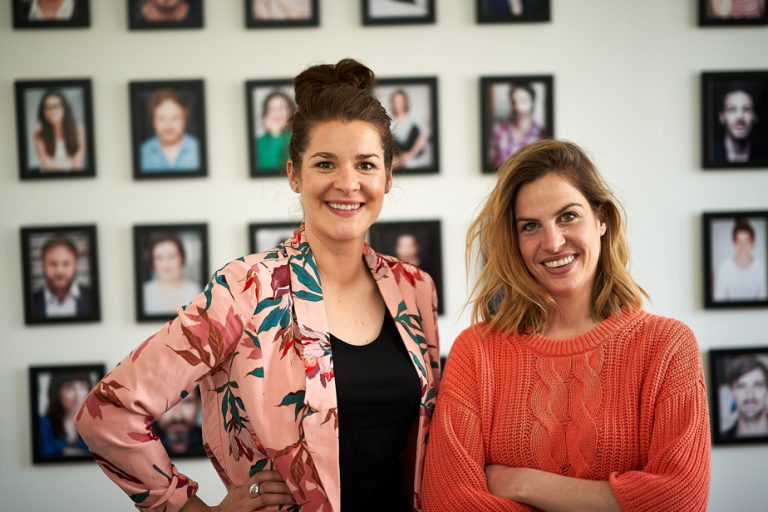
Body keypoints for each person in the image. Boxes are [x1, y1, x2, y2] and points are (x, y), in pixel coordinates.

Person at [76, 58, 440, 512]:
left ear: (388, 176)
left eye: (366, 165)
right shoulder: (246, 288)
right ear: (294, 175)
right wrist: (189, 509)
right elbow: (110, 412)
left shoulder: (414, 289)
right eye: (325, 163)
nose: (348, 183)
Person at [423, 139, 710, 511]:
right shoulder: (477, 352)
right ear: (515, 240)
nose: (553, 242)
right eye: (530, 226)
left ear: (602, 219)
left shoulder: (667, 346)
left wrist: (522, 483)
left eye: (568, 216)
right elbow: (448, 503)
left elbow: (679, 500)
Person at [31, 235, 94, 319]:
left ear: (76, 265)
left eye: (66, 264)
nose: (59, 271)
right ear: (43, 265)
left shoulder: (92, 298)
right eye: (53, 264)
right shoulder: (31, 302)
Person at [140, 88, 200, 172]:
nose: (168, 125)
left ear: (185, 119)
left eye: (175, 118)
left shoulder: (198, 149)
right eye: (162, 118)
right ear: (153, 120)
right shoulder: (142, 153)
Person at [487, 83, 545, 168]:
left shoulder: (542, 134)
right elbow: (492, 162)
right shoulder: (499, 130)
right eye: (514, 102)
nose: (518, 107)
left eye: (523, 101)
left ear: (532, 102)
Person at [142, 234, 202, 316]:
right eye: (159, 258)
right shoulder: (146, 292)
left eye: (171, 257)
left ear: (182, 258)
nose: (166, 264)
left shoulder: (197, 290)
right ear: (153, 262)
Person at [39, 371, 92, 458]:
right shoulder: (43, 424)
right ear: (57, 392)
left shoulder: (96, 424)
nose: (78, 395)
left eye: (83, 387)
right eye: (70, 387)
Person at [713, 217, 768, 302]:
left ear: (753, 243)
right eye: (739, 242)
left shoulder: (762, 267)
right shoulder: (723, 268)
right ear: (734, 243)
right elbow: (719, 299)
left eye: (746, 241)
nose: (743, 246)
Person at [33, 89, 85, 172]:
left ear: (64, 108)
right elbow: (47, 165)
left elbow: (77, 164)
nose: (52, 111)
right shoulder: (39, 133)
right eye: (47, 107)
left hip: (74, 178)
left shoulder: (79, 128)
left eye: (56, 106)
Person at [713, 83, 766, 164]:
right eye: (732, 109)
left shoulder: (764, 155)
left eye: (746, 109)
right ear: (722, 117)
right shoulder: (713, 154)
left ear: (755, 116)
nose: (740, 117)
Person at [721, 356, 768, 439]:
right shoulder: (724, 437)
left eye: (758, 385)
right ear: (732, 391)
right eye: (741, 386)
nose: (750, 396)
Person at [153, 387, 204, 456]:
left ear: (199, 403)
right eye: (168, 404)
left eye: (187, 402)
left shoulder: (213, 444)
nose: (178, 416)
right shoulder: (139, 448)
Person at [389, 89, 429, 170]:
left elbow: (424, 136)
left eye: (400, 101)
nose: (398, 105)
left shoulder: (413, 118)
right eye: (395, 102)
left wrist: (410, 155)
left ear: (405, 102)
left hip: (414, 157)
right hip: (399, 158)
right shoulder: (391, 122)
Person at [255, 90, 294, 172]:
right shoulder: (259, 142)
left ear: (290, 111)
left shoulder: (300, 139)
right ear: (266, 113)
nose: (277, 113)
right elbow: (266, 169)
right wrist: (275, 134)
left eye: (281, 108)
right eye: (272, 109)